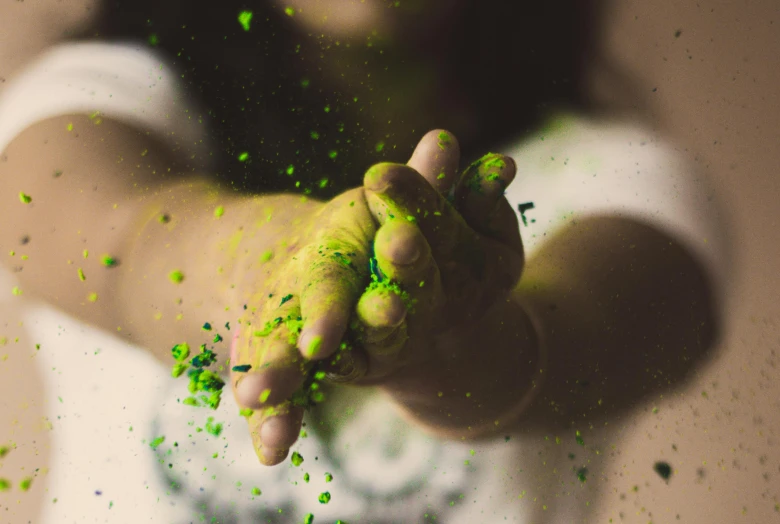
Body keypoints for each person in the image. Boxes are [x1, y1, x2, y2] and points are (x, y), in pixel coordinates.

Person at [0, 1, 732, 522]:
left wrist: (455, 341)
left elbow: (575, 336)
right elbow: (131, 241)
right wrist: (275, 263)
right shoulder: (92, 102)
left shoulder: (625, 177)